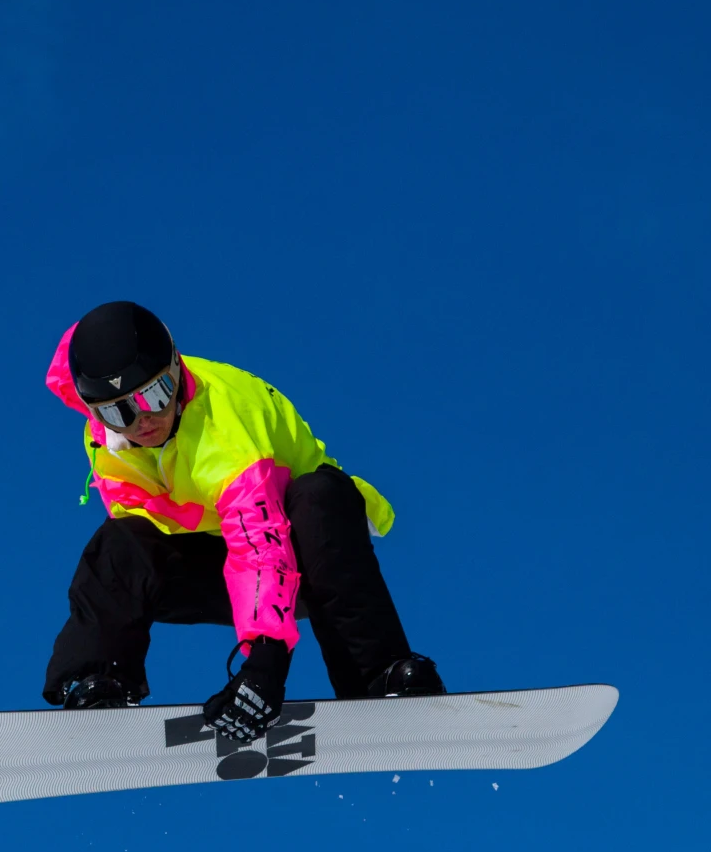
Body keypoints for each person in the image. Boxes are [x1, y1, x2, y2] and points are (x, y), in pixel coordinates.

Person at [42, 301, 443, 740]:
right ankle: (100, 684)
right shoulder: (106, 441)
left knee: (319, 498)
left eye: (155, 394)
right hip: (224, 562)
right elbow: (140, 554)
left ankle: (378, 676)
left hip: (309, 554)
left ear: (176, 367)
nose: (142, 420)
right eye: (117, 411)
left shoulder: (222, 422)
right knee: (120, 544)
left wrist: (265, 662)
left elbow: (260, 539)